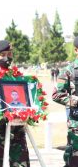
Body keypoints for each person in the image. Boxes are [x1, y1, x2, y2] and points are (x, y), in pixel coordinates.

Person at [52, 36, 78, 167]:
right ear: (76, 50)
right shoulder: (68, 71)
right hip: (76, 122)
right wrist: (74, 100)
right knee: (74, 158)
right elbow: (56, 94)